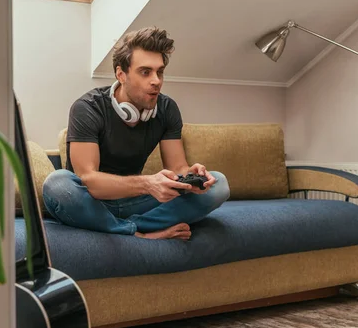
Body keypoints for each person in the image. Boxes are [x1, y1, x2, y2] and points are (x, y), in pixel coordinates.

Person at [43, 27, 230, 240]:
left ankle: (126, 227)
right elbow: (88, 179)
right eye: (145, 72)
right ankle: (140, 234)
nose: (156, 81)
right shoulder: (88, 108)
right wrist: (148, 184)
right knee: (57, 184)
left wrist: (191, 176)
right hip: (91, 202)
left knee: (218, 184)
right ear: (121, 74)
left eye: (159, 72)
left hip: (137, 203)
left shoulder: (167, 109)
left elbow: (177, 167)